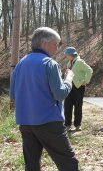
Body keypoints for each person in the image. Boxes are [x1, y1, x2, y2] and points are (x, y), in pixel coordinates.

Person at [10, 27, 79, 171]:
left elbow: (13, 96)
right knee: (68, 163)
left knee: (32, 165)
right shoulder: (49, 63)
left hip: (25, 122)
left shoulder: (20, 64)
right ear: (44, 43)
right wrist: (68, 79)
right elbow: (60, 94)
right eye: (56, 43)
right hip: (48, 121)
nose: (57, 48)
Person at [64, 46, 93, 131]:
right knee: (67, 106)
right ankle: (67, 125)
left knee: (78, 106)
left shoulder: (79, 62)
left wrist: (86, 81)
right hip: (69, 86)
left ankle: (77, 125)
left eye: (66, 54)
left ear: (71, 55)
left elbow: (89, 70)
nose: (65, 56)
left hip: (79, 87)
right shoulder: (69, 63)